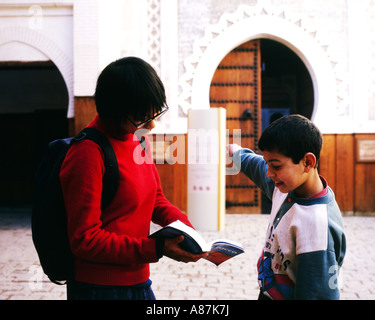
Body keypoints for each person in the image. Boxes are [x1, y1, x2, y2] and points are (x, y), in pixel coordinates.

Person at [60, 57, 206, 300]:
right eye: (141, 117)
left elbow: (155, 198)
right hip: (99, 289)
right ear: (114, 110)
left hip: (139, 281)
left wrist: (182, 226)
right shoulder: (87, 153)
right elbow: (85, 239)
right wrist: (156, 248)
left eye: (154, 114)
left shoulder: (139, 138)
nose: (150, 125)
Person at [228, 114, 346, 300]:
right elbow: (254, 164)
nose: (269, 173)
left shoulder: (316, 226)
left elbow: (317, 294)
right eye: (267, 163)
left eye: (275, 166)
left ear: (308, 162)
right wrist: (234, 152)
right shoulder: (285, 185)